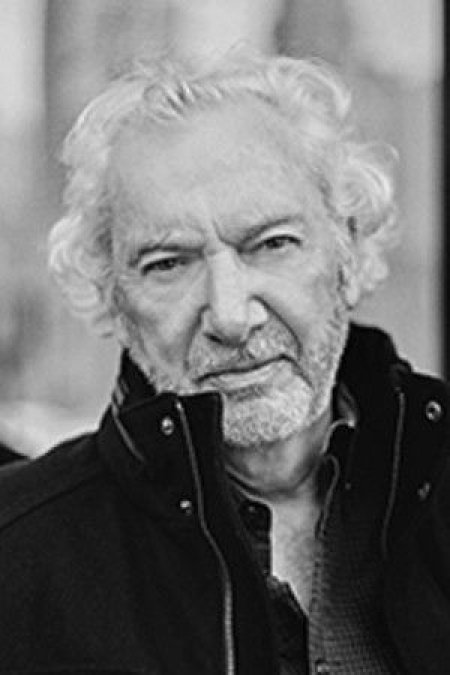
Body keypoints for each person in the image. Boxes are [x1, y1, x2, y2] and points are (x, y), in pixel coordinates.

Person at [0, 52, 447, 675]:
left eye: (272, 244)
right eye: (168, 264)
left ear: (348, 251)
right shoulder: (16, 555)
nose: (231, 317)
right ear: (111, 297)